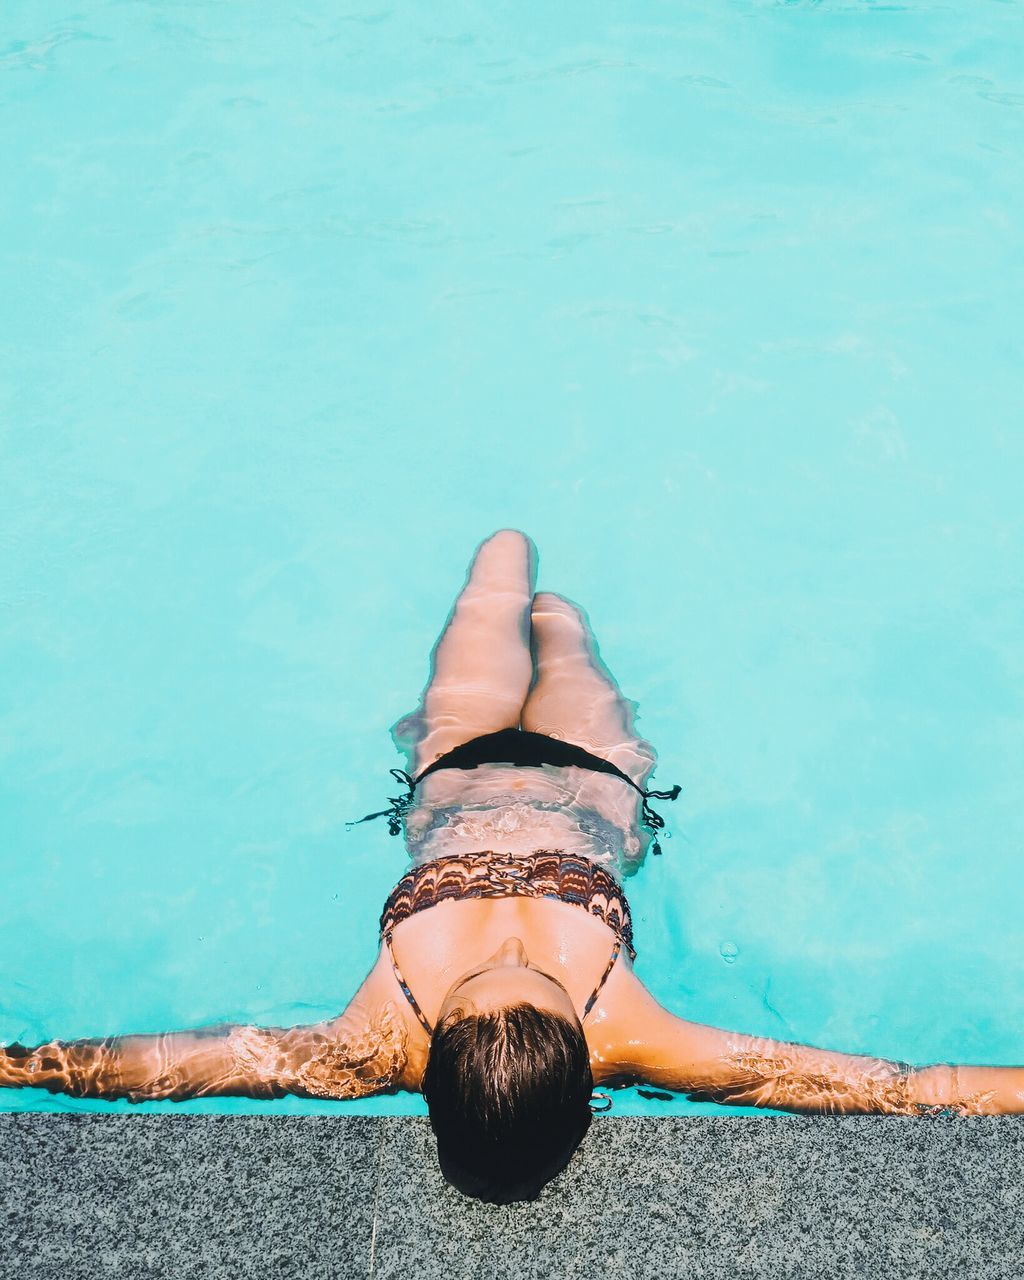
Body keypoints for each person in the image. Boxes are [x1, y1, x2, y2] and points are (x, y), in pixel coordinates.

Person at [3, 530, 1022, 1202]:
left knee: (536, 600)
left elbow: (892, 1085)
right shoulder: (386, 1041)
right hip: (465, 767)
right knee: (523, 593)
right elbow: (179, 1063)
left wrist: (26, 1066)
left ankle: (541, 584)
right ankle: (537, 582)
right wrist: (24, 1065)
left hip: (585, 782)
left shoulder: (592, 1032)